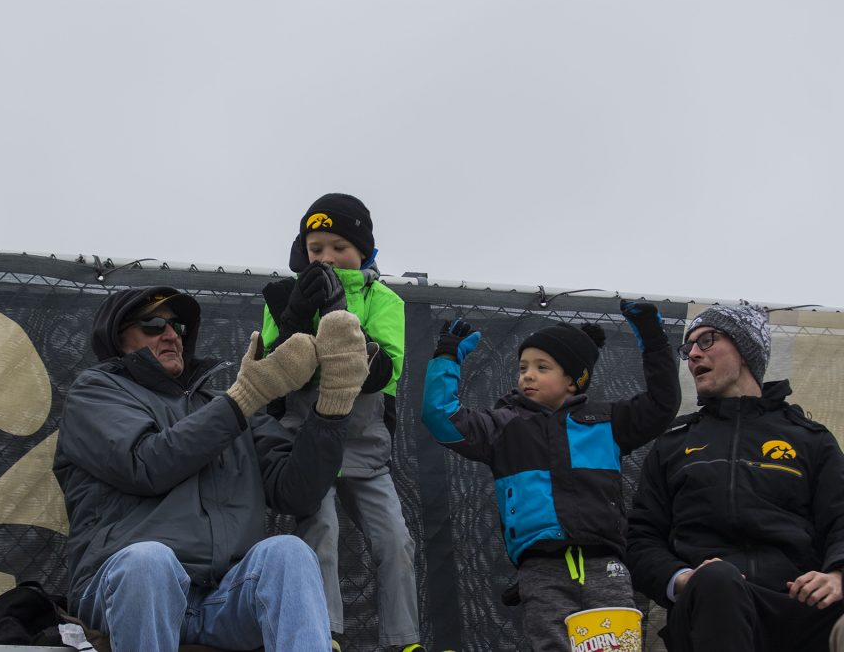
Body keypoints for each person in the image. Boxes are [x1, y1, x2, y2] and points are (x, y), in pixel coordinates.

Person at [53, 284, 370, 652]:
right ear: (117, 336)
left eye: (179, 327)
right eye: (154, 324)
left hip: (222, 599)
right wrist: (244, 398)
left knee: (289, 553)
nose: (171, 335)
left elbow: (298, 493)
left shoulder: (229, 406)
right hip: (126, 591)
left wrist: (333, 403)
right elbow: (146, 464)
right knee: (149, 560)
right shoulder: (94, 392)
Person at [421, 301, 680, 652]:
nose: (527, 374)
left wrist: (652, 336)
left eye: (542, 367)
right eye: (523, 366)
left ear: (574, 381)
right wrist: (447, 358)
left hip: (605, 564)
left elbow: (663, 403)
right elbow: (440, 417)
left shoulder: (606, 423)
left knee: (617, 645)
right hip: (540, 569)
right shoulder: (504, 426)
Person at [626, 304, 844, 652]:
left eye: (707, 341)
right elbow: (640, 538)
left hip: (800, 608)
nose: (694, 354)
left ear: (745, 349)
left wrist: (837, 576)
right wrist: (683, 579)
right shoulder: (673, 443)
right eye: (689, 348)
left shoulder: (810, 438)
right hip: (711, 604)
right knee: (718, 578)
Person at [260, 193, 420, 652]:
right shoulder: (282, 298)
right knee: (321, 534)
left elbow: (382, 373)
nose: (326, 257)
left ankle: (404, 640)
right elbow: (270, 374)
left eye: (338, 247)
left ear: (363, 251)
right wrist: (292, 317)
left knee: (396, 541)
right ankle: (321, 634)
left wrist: (335, 315)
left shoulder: (385, 299)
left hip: (366, 446)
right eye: (316, 249)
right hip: (307, 444)